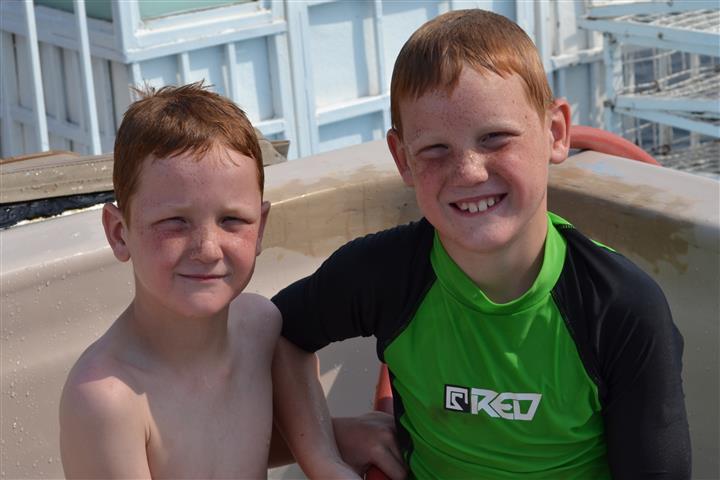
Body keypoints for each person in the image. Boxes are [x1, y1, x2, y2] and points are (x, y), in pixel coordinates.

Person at [271, 9, 691, 480]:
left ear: (555, 134)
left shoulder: (620, 307)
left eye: (495, 138)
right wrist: (325, 455)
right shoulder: (384, 274)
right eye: (435, 149)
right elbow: (280, 333)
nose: (469, 172)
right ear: (402, 158)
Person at [59, 83, 403, 479]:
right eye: (175, 222)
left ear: (260, 229)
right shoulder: (106, 400)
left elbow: (228, 446)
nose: (207, 248)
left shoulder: (260, 328)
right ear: (120, 233)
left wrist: (331, 447)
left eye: (232, 220)